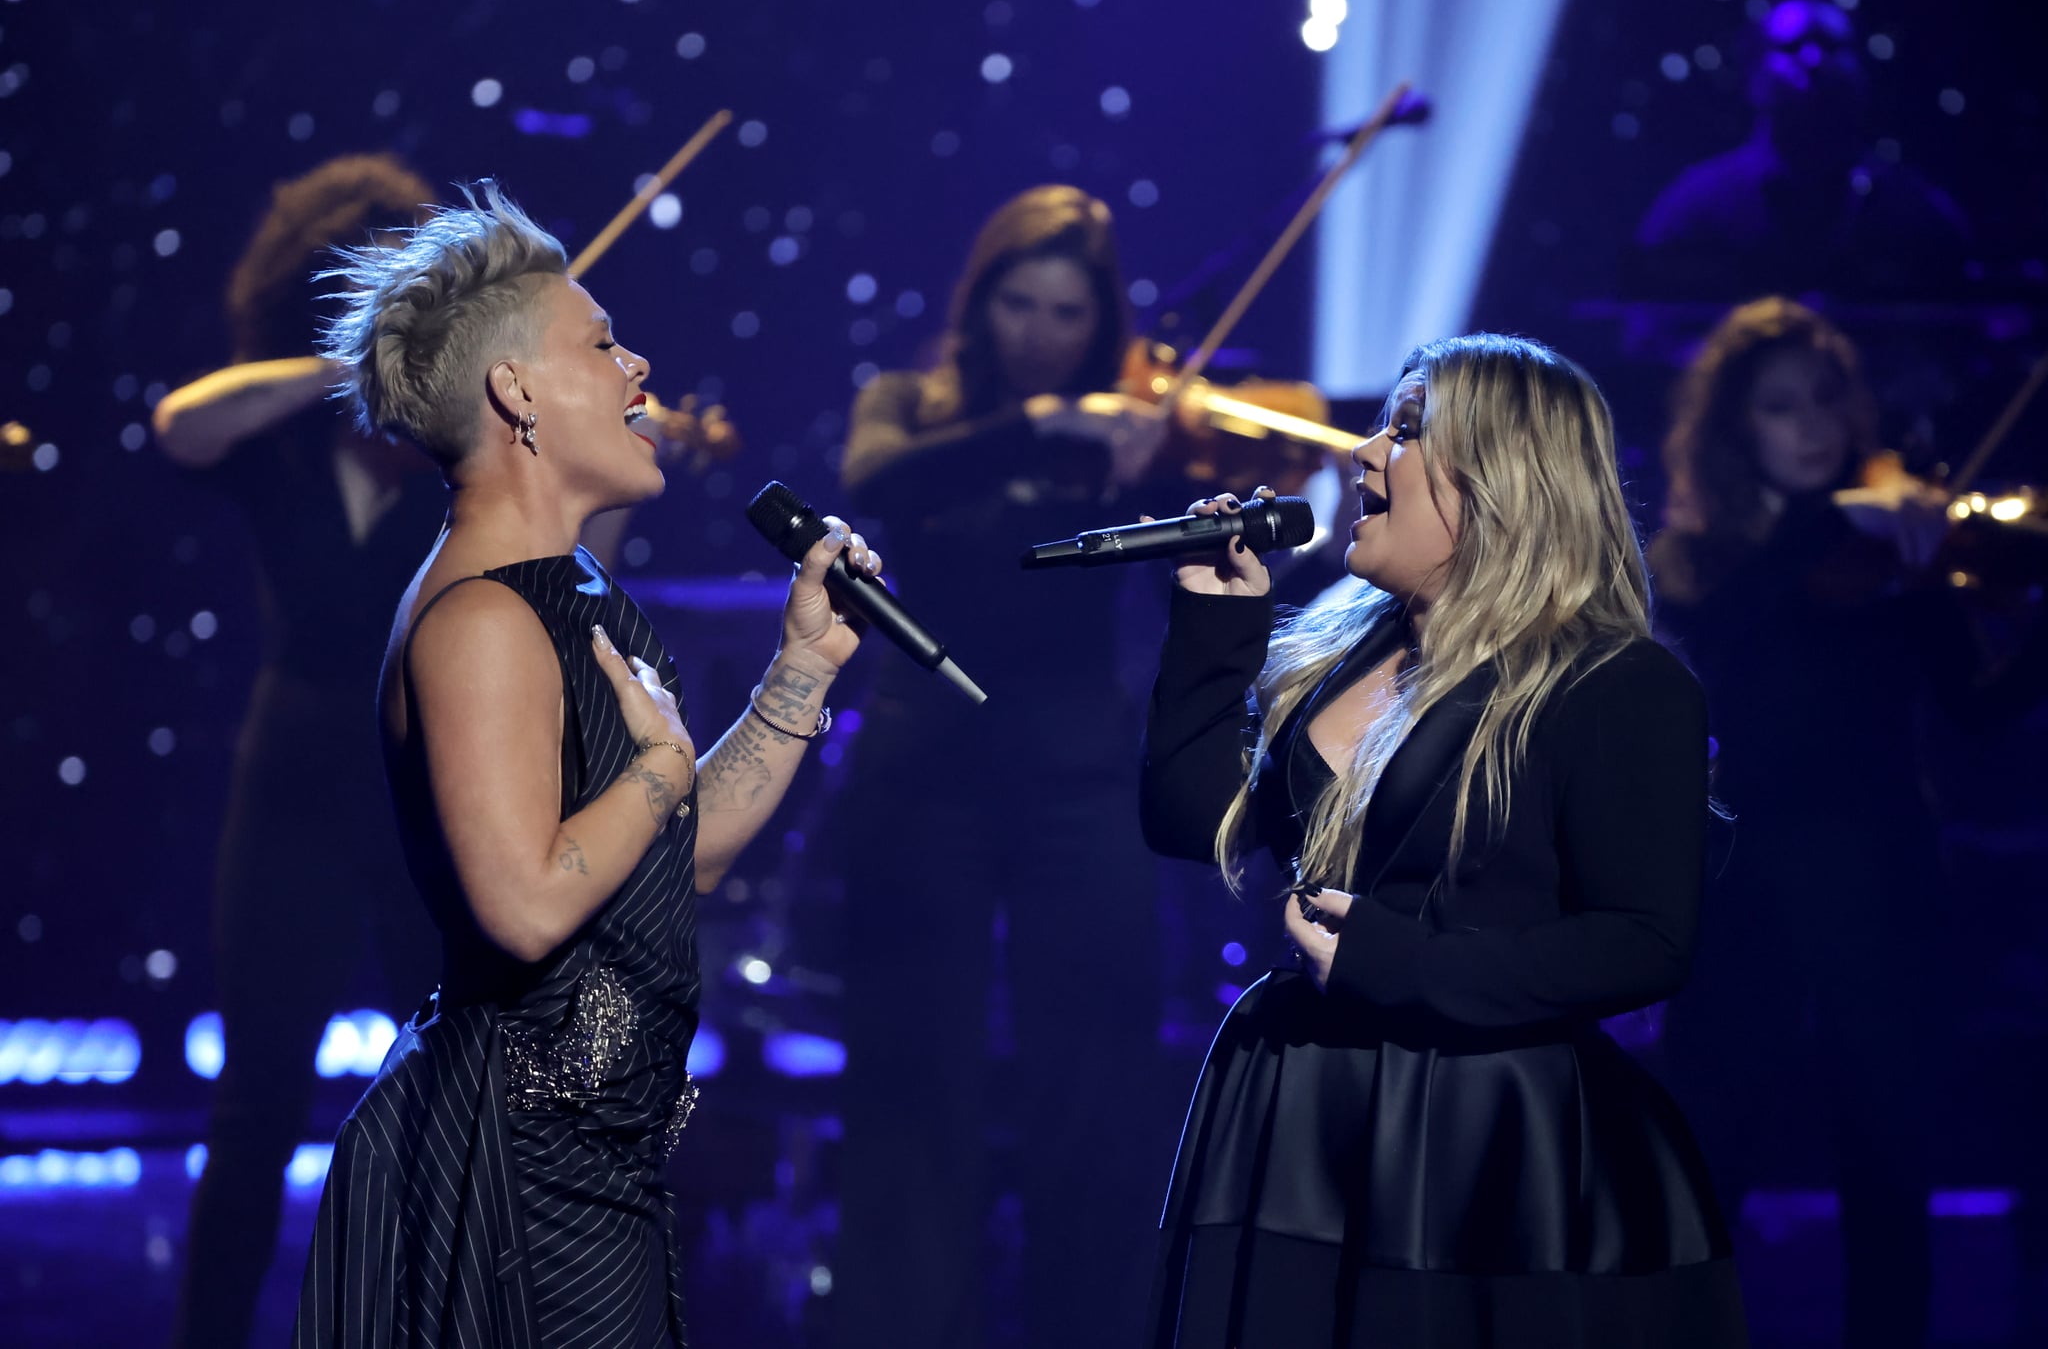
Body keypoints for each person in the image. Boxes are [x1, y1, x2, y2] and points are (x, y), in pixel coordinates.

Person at [289, 181, 880, 1348]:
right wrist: (657, 765)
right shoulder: (481, 622)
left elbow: (666, 859)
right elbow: (521, 903)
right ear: (515, 391)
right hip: (514, 1170)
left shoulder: (577, 592)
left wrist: (798, 674)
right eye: (601, 343)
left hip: (596, 1161)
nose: (636, 366)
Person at [1140, 333, 1748, 1347]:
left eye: (1409, 429)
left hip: (1483, 1131)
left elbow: (1645, 939)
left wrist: (1403, 963)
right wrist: (1211, 635)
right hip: (1302, 1105)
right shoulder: (1336, 654)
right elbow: (1183, 822)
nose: (1362, 451)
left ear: (1506, 480)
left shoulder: (1612, 684)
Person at [1648, 296, 2047, 1349]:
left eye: (1827, 397)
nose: (1814, 423)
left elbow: (1971, 710)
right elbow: (1725, 650)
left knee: (1887, 1164)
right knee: (1707, 1157)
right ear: (1739, 431)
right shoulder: (1702, 564)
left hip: (1884, 887)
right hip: (1741, 895)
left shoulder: (1897, 558)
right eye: (1781, 407)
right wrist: (1836, 519)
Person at [830, 184, 1185, 1349]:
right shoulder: (907, 409)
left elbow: (1209, 582)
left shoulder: (1130, 437)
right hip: (921, 771)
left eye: (1066, 313)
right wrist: (1044, 429)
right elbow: (874, 484)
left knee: (1093, 1088)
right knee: (908, 1079)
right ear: (976, 306)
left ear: (1102, 322)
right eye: (1016, 304)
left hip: (1076, 779)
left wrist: (1171, 478)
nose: (1037, 333)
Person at [151, 154, 448, 1349]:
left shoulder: (464, 433)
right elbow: (179, 423)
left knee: (443, 1094)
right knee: (259, 1094)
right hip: (293, 784)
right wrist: (350, 362)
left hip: (433, 779)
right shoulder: (275, 436)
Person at [1632, 0, 1971, 301]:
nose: (1813, 59)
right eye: (1791, 47)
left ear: (1862, 74)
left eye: (1830, 45)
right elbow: (1643, 329)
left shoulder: (1915, 208)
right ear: (1754, 74)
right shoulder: (1695, 206)